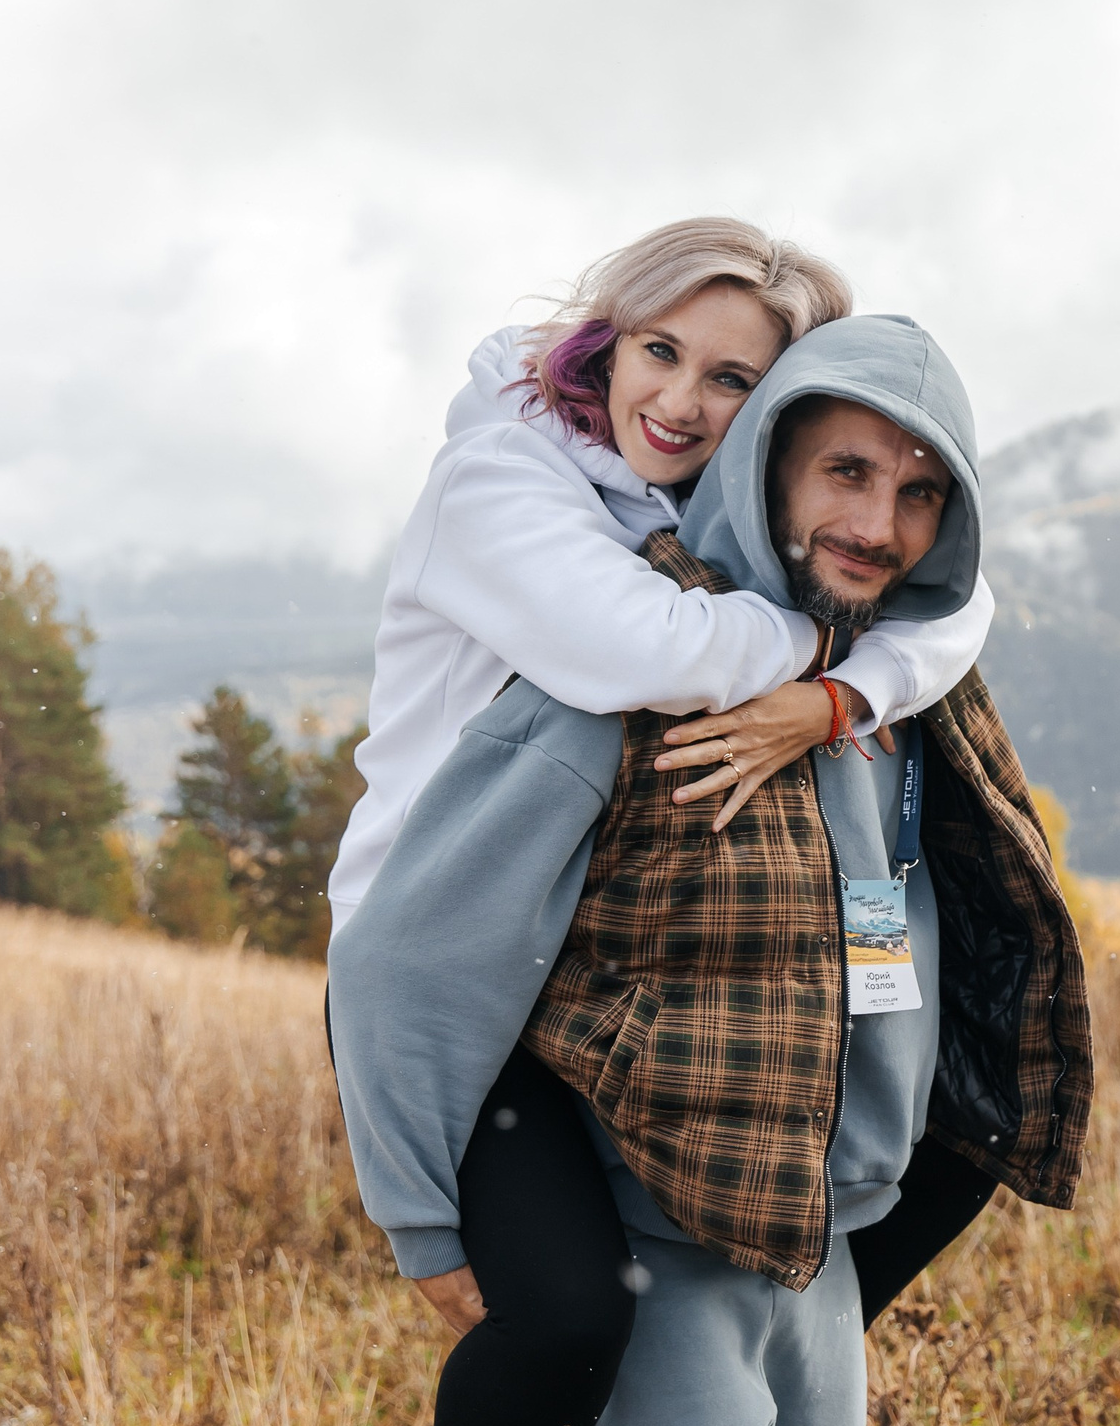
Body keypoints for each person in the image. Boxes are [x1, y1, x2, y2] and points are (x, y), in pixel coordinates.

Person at [329, 314, 1092, 1426]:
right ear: (767, 456)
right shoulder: (635, 669)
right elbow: (411, 956)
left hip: (825, 1252)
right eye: (846, 471)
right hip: (666, 1250)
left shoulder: (902, 686)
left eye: (923, 493)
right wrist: (427, 1222)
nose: (879, 526)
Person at [328, 216, 997, 938]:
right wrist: (823, 642)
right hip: (419, 916)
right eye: (660, 351)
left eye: (729, 379)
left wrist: (840, 702)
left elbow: (958, 602)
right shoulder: (492, 480)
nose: (680, 404)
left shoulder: (713, 494)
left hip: (571, 933)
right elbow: (650, 648)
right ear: (611, 343)